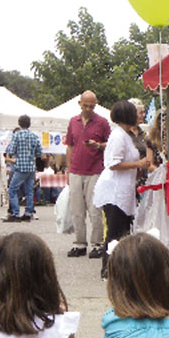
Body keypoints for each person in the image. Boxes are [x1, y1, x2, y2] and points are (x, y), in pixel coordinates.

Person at [93, 101, 150, 278]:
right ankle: (108, 269)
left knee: (123, 230)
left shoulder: (125, 134)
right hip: (114, 190)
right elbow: (113, 163)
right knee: (115, 231)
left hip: (124, 189)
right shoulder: (118, 135)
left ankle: (119, 268)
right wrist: (138, 164)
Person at [65, 90, 111, 258]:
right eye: (86, 106)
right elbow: (69, 145)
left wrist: (98, 145)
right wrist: (68, 168)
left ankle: (97, 243)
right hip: (76, 170)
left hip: (95, 171)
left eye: (92, 106)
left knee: (95, 210)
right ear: (80, 104)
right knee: (77, 210)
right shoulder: (73, 122)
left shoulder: (102, 122)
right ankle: (80, 243)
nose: (88, 109)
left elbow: (110, 144)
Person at [4, 115, 42, 222]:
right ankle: (28, 212)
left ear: (19, 124)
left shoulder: (17, 135)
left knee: (12, 190)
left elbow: (11, 151)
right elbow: (39, 152)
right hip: (31, 167)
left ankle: (15, 213)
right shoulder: (34, 136)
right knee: (29, 191)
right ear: (29, 124)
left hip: (20, 166)